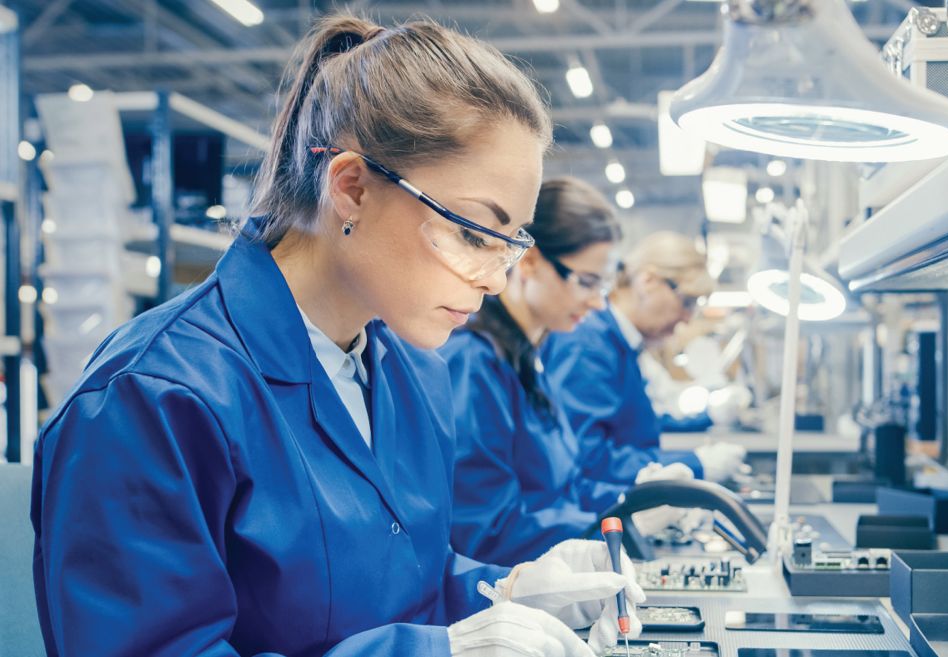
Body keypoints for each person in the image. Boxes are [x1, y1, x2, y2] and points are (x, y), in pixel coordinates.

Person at [30, 15, 641, 657]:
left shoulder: (411, 374)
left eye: (509, 243)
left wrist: (510, 593)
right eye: (472, 233)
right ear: (351, 188)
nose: (494, 282)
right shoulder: (151, 398)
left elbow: (408, 586)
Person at [441, 178, 697, 567]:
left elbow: (565, 488)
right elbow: (487, 532)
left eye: (604, 285)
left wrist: (633, 501)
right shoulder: (476, 364)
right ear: (529, 262)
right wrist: (620, 527)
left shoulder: (528, 358)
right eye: (587, 283)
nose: (598, 303)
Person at [542, 231, 747, 486]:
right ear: (648, 280)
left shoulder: (619, 344)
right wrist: (692, 465)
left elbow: (632, 426)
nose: (687, 317)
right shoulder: (588, 345)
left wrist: (706, 421)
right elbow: (588, 459)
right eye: (686, 301)